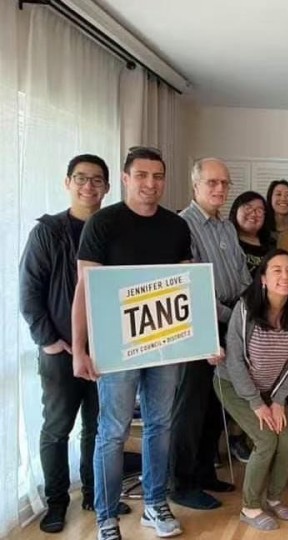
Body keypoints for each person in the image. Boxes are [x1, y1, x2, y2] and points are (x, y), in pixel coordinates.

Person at [72, 147, 193, 540]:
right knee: (113, 431)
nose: (150, 183)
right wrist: (79, 348)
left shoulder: (176, 227)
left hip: (165, 345)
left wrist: (199, 340)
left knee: (161, 424)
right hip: (115, 347)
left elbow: (186, 288)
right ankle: (106, 517)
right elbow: (85, 290)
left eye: (157, 176)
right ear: (125, 179)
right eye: (141, 175)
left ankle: (155, 504)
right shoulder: (102, 223)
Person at [19, 154, 128, 533]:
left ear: (107, 187)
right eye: (81, 178)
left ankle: (96, 495)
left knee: (99, 428)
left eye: (97, 180)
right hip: (60, 351)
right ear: (68, 183)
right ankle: (56, 503)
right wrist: (49, 341)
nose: (89, 186)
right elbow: (28, 291)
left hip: (107, 349)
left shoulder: (114, 230)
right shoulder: (48, 232)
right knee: (57, 427)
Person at [170, 158, 251, 510]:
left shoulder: (227, 227)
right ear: (196, 185)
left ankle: (204, 472)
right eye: (212, 182)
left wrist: (246, 314)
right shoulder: (182, 225)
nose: (220, 189)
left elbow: (243, 275)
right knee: (190, 406)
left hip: (231, 319)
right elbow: (190, 287)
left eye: (225, 183)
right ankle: (181, 483)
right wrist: (233, 317)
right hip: (200, 323)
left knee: (215, 403)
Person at [214, 249, 288, 532]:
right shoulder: (246, 308)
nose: (285, 276)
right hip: (234, 385)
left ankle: (274, 497)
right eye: (277, 270)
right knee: (267, 440)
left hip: (273, 389)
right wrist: (257, 404)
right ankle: (250, 507)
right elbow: (234, 360)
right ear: (264, 279)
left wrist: (278, 401)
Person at [230, 191, 274, 276]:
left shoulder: (272, 244)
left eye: (259, 210)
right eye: (248, 208)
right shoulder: (226, 241)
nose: (253, 214)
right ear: (236, 210)